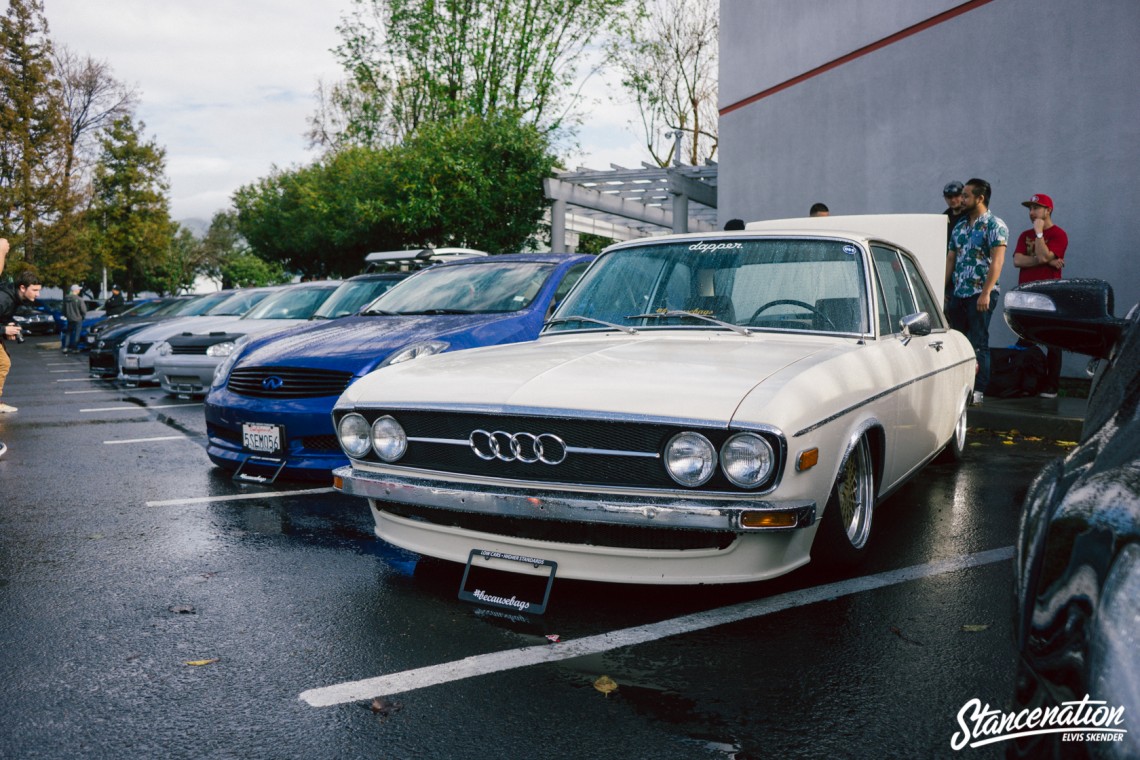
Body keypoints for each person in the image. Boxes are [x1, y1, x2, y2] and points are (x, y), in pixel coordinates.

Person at [945, 178, 1008, 406]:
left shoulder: (994, 225)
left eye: (966, 195)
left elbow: (998, 262)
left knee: (978, 341)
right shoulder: (960, 225)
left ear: (980, 198)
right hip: (959, 292)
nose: (961, 199)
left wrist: (986, 292)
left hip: (980, 294)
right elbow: (951, 258)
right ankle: (958, 387)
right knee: (957, 341)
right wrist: (940, 288)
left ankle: (978, 389)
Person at [1012, 193, 1068, 398]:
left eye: (1036, 208)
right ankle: (1026, 383)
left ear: (1048, 210)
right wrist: (1047, 261)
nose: (1032, 212)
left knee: (1052, 340)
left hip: (1048, 294)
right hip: (1026, 293)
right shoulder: (1022, 235)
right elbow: (1017, 261)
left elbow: (1044, 255)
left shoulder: (1059, 234)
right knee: (1025, 338)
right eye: (1030, 208)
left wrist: (1038, 234)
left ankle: (1051, 385)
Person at [1, 260, 44, 417]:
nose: (38, 294)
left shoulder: (13, 298)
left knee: (4, 362)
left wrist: (8, 325)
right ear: (22, 288)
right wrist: (4, 329)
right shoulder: (4, 299)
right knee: (3, 363)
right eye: (34, 290)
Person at [62, 283, 88, 353]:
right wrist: (83, 316)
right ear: (76, 290)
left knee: (68, 333)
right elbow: (83, 310)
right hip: (78, 318)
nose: (79, 290)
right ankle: (75, 348)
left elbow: (63, 309)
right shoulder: (79, 299)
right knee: (77, 333)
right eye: (78, 289)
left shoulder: (66, 298)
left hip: (69, 318)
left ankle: (66, 347)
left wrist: (66, 315)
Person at [941, 181, 966, 246]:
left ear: (963, 196)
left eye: (956, 195)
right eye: (949, 197)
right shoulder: (943, 219)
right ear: (945, 198)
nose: (953, 200)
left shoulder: (971, 216)